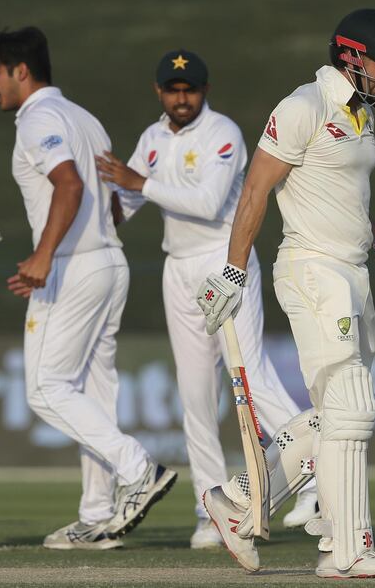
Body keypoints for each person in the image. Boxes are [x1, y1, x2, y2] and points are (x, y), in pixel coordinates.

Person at [196, 9, 375, 578]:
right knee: (348, 407)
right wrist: (232, 271)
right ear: (351, 56)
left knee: (346, 410)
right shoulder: (304, 106)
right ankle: (349, 552)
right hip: (311, 270)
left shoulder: (359, 114)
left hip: (351, 271)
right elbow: (255, 188)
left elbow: (350, 200)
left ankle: (241, 501)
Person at [96, 49, 320, 549]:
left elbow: (208, 202)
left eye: (190, 90)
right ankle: (209, 510)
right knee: (195, 393)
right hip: (178, 267)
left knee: (251, 376)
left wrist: (140, 183)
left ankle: (316, 476)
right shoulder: (152, 139)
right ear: (159, 93)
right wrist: (87, 228)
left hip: (225, 259)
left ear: (205, 90)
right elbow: (124, 204)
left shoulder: (223, 133)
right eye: (173, 90)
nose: (182, 98)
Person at [0, 26, 177, 550]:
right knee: (94, 390)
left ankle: (139, 469)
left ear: (21, 72)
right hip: (108, 260)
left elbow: (68, 185)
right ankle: (97, 515)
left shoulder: (38, 118)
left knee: (45, 389)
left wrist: (46, 255)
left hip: (73, 263)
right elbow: (107, 201)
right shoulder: (84, 118)